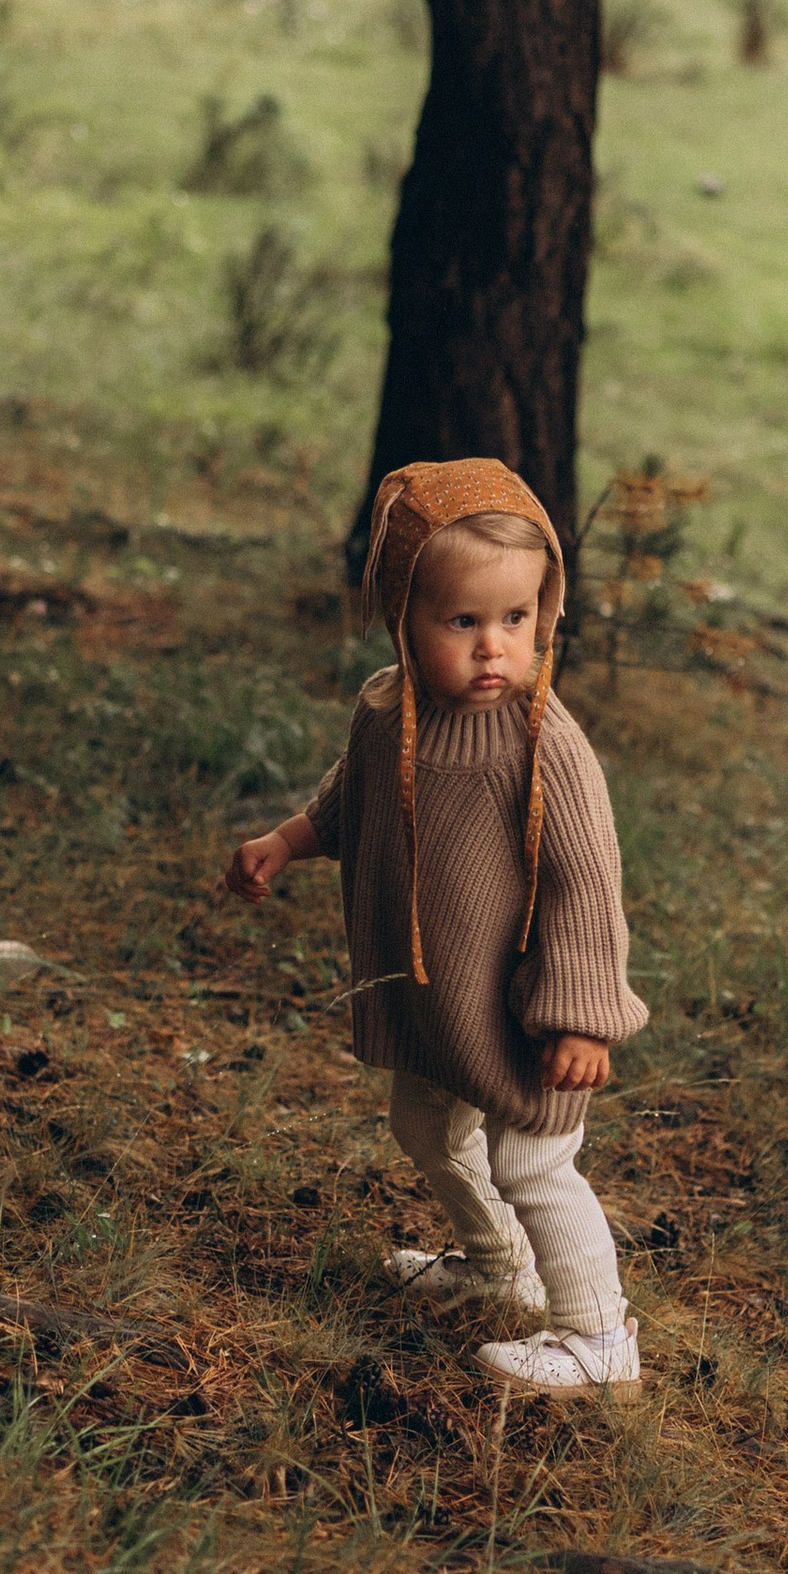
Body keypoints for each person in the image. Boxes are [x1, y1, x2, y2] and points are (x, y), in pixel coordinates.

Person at [227, 456, 648, 1394]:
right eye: (463, 622)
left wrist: (584, 1015)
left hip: (523, 1006)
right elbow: (358, 797)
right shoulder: (389, 712)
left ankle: (596, 1335)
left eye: (518, 620)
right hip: (440, 997)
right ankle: (497, 1263)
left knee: (534, 1159)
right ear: (401, 617)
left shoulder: (544, 744)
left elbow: (588, 880)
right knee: (424, 1126)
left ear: (548, 613)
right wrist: (290, 840)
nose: (495, 647)